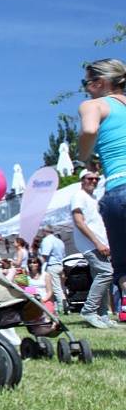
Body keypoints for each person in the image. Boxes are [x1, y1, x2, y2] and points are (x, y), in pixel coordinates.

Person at [78, 58, 126, 324]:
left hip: (121, 188)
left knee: (124, 268)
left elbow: (89, 129)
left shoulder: (93, 105)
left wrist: (83, 152)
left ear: (100, 83)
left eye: (86, 82)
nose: (85, 88)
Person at [71, 168, 115, 328]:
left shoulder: (93, 198)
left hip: (100, 244)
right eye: (90, 179)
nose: (94, 181)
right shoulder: (78, 196)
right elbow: (79, 222)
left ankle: (103, 314)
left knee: (101, 277)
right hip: (90, 244)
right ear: (82, 180)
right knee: (106, 273)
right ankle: (89, 310)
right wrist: (97, 243)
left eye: (96, 179)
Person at [38, 227, 66, 314]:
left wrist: (39, 266)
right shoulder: (59, 240)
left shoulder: (47, 240)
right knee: (60, 288)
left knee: (55, 289)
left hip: (52, 265)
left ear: (44, 231)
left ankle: (62, 308)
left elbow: (45, 255)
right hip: (60, 265)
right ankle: (60, 307)